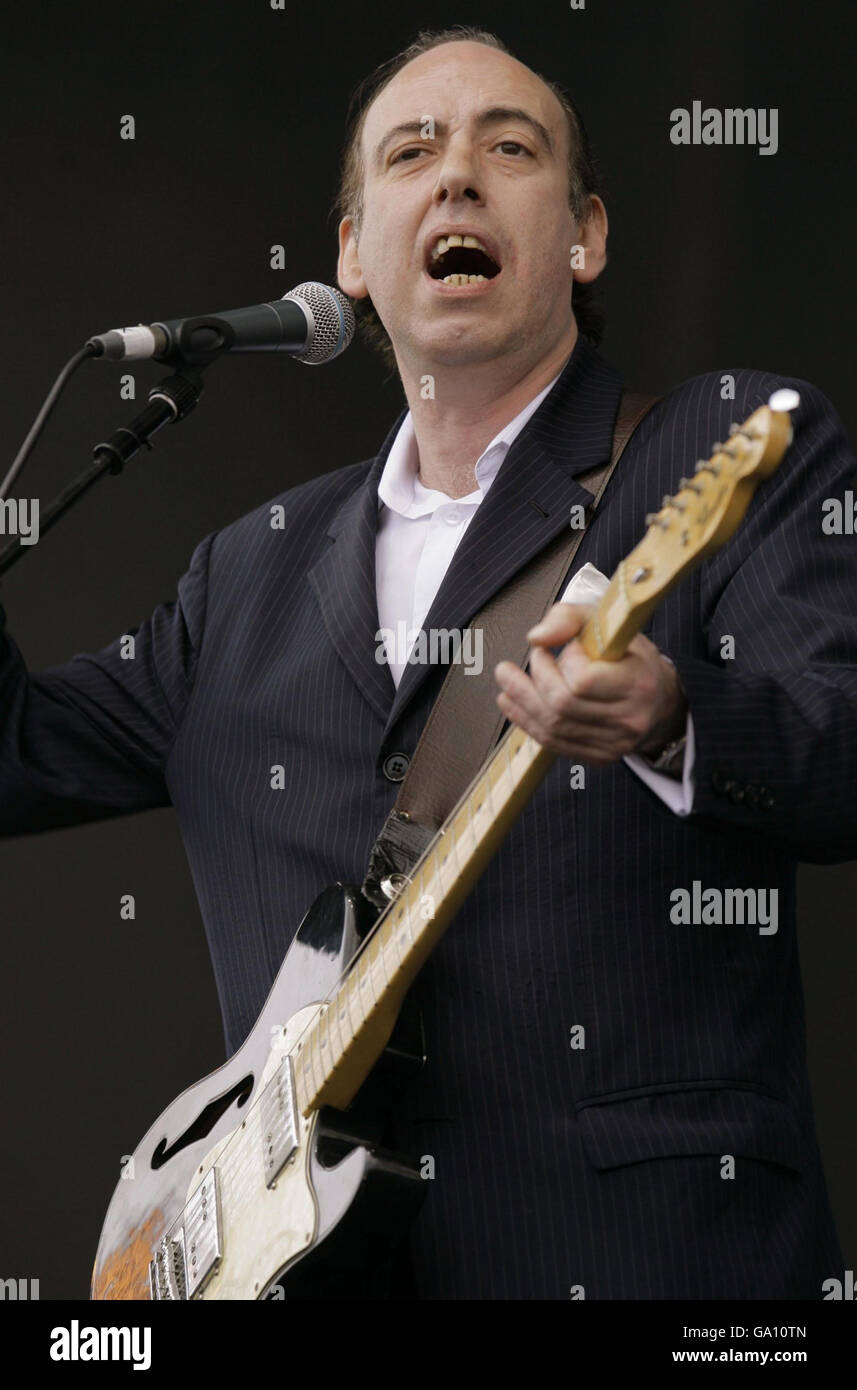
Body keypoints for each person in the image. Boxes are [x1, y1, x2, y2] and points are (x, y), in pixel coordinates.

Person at [3, 26, 857, 1299]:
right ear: (350, 256)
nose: (455, 173)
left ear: (584, 238)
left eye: (508, 148)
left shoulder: (714, 443)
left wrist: (672, 714)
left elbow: (837, 755)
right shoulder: (248, 571)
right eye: (411, 151)